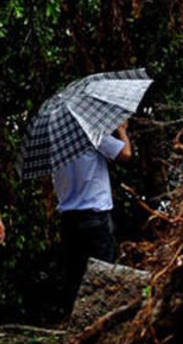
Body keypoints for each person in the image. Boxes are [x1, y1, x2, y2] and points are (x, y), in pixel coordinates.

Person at [53, 120, 132, 305]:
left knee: (75, 275)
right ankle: (99, 320)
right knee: (102, 274)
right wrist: (122, 131)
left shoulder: (57, 146)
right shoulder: (93, 135)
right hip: (95, 216)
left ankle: (74, 322)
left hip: (68, 218)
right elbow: (125, 154)